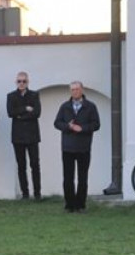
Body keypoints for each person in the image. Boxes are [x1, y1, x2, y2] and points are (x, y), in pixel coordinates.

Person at [53, 81, 101, 212]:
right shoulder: (65, 106)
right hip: (67, 147)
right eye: (72, 89)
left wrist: (83, 128)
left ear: (82, 90)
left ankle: (80, 204)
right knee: (68, 178)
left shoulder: (90, 107)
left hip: (83, 147)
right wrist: (67, 126)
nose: (75, 92)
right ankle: (69, 204)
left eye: (77, 89)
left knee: (82, 177)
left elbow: (96, 124)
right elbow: (57, 123)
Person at [6, 71, 42, 200]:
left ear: (28, 82)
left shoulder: (34, 95)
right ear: (16, 82)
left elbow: (37, 113)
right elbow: (10, 112)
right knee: (21, 165)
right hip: (18, 136)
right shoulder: (11, 96)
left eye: (24, 81)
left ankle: (37, 193)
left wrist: (20, 115)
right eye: (19, 81)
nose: (21, 83)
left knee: (35, 164)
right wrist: (26, 108)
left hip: (32, 135)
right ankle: (25, 193)